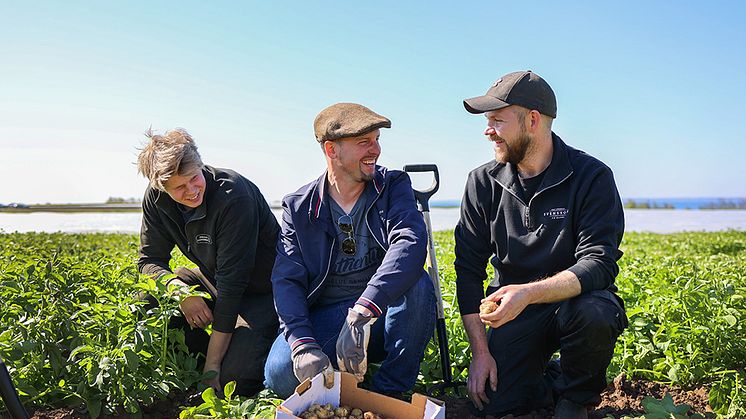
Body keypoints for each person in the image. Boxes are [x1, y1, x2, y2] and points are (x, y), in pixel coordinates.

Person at [455, 71, 628, 418]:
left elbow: (599, 262)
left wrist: (529, 293)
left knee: (595, 311)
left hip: (574, 303)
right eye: (488, 121)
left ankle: (575, 400)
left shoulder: (591, 177)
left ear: (533, 120)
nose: (487, 130)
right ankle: (546, 380)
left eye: (497, 121)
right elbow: (468, 269)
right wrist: (481, 353)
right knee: (495, 404)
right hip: (513, 314)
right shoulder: (482, 182)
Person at [264, 103, 436, 398]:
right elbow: (287, 279)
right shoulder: (299, 207)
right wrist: (304, 344)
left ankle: (390, 392)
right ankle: (339, 371)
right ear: (332, 150)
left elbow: (409, 241)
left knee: (418, 285)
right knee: (280, 374)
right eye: (364, 143)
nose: (376, 150)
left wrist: (365, 309)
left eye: (377, 140)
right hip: (330, 315)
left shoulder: (393, 186)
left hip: (379, 312)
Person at [136, 128, 279, 396]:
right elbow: (149, 261)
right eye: (179, 187)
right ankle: (197, 363)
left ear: (201, 164)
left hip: (265, 290)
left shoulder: (234, 197)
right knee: (149, 298)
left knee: (231, 380)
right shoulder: (155, 199)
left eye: (194, 178)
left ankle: (224, 359)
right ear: (161, 187)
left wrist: (213, 367)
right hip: (214, 279)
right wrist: (180, 292)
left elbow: (232, 285)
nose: (191, 191)